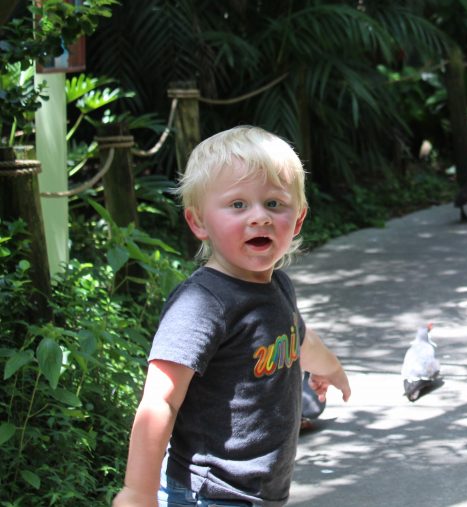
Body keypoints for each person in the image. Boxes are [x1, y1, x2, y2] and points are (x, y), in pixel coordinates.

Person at [113, 125, 351, 507]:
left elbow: (299, 338)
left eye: (274, 203)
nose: (259, 217)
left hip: (260, 492)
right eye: (238, 205)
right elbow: (161, 401)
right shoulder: (202, 304)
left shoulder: (278, 287)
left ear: (299, 219)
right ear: (198, 222)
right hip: (209, 492)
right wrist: (137, 492)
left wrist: (330, 368)